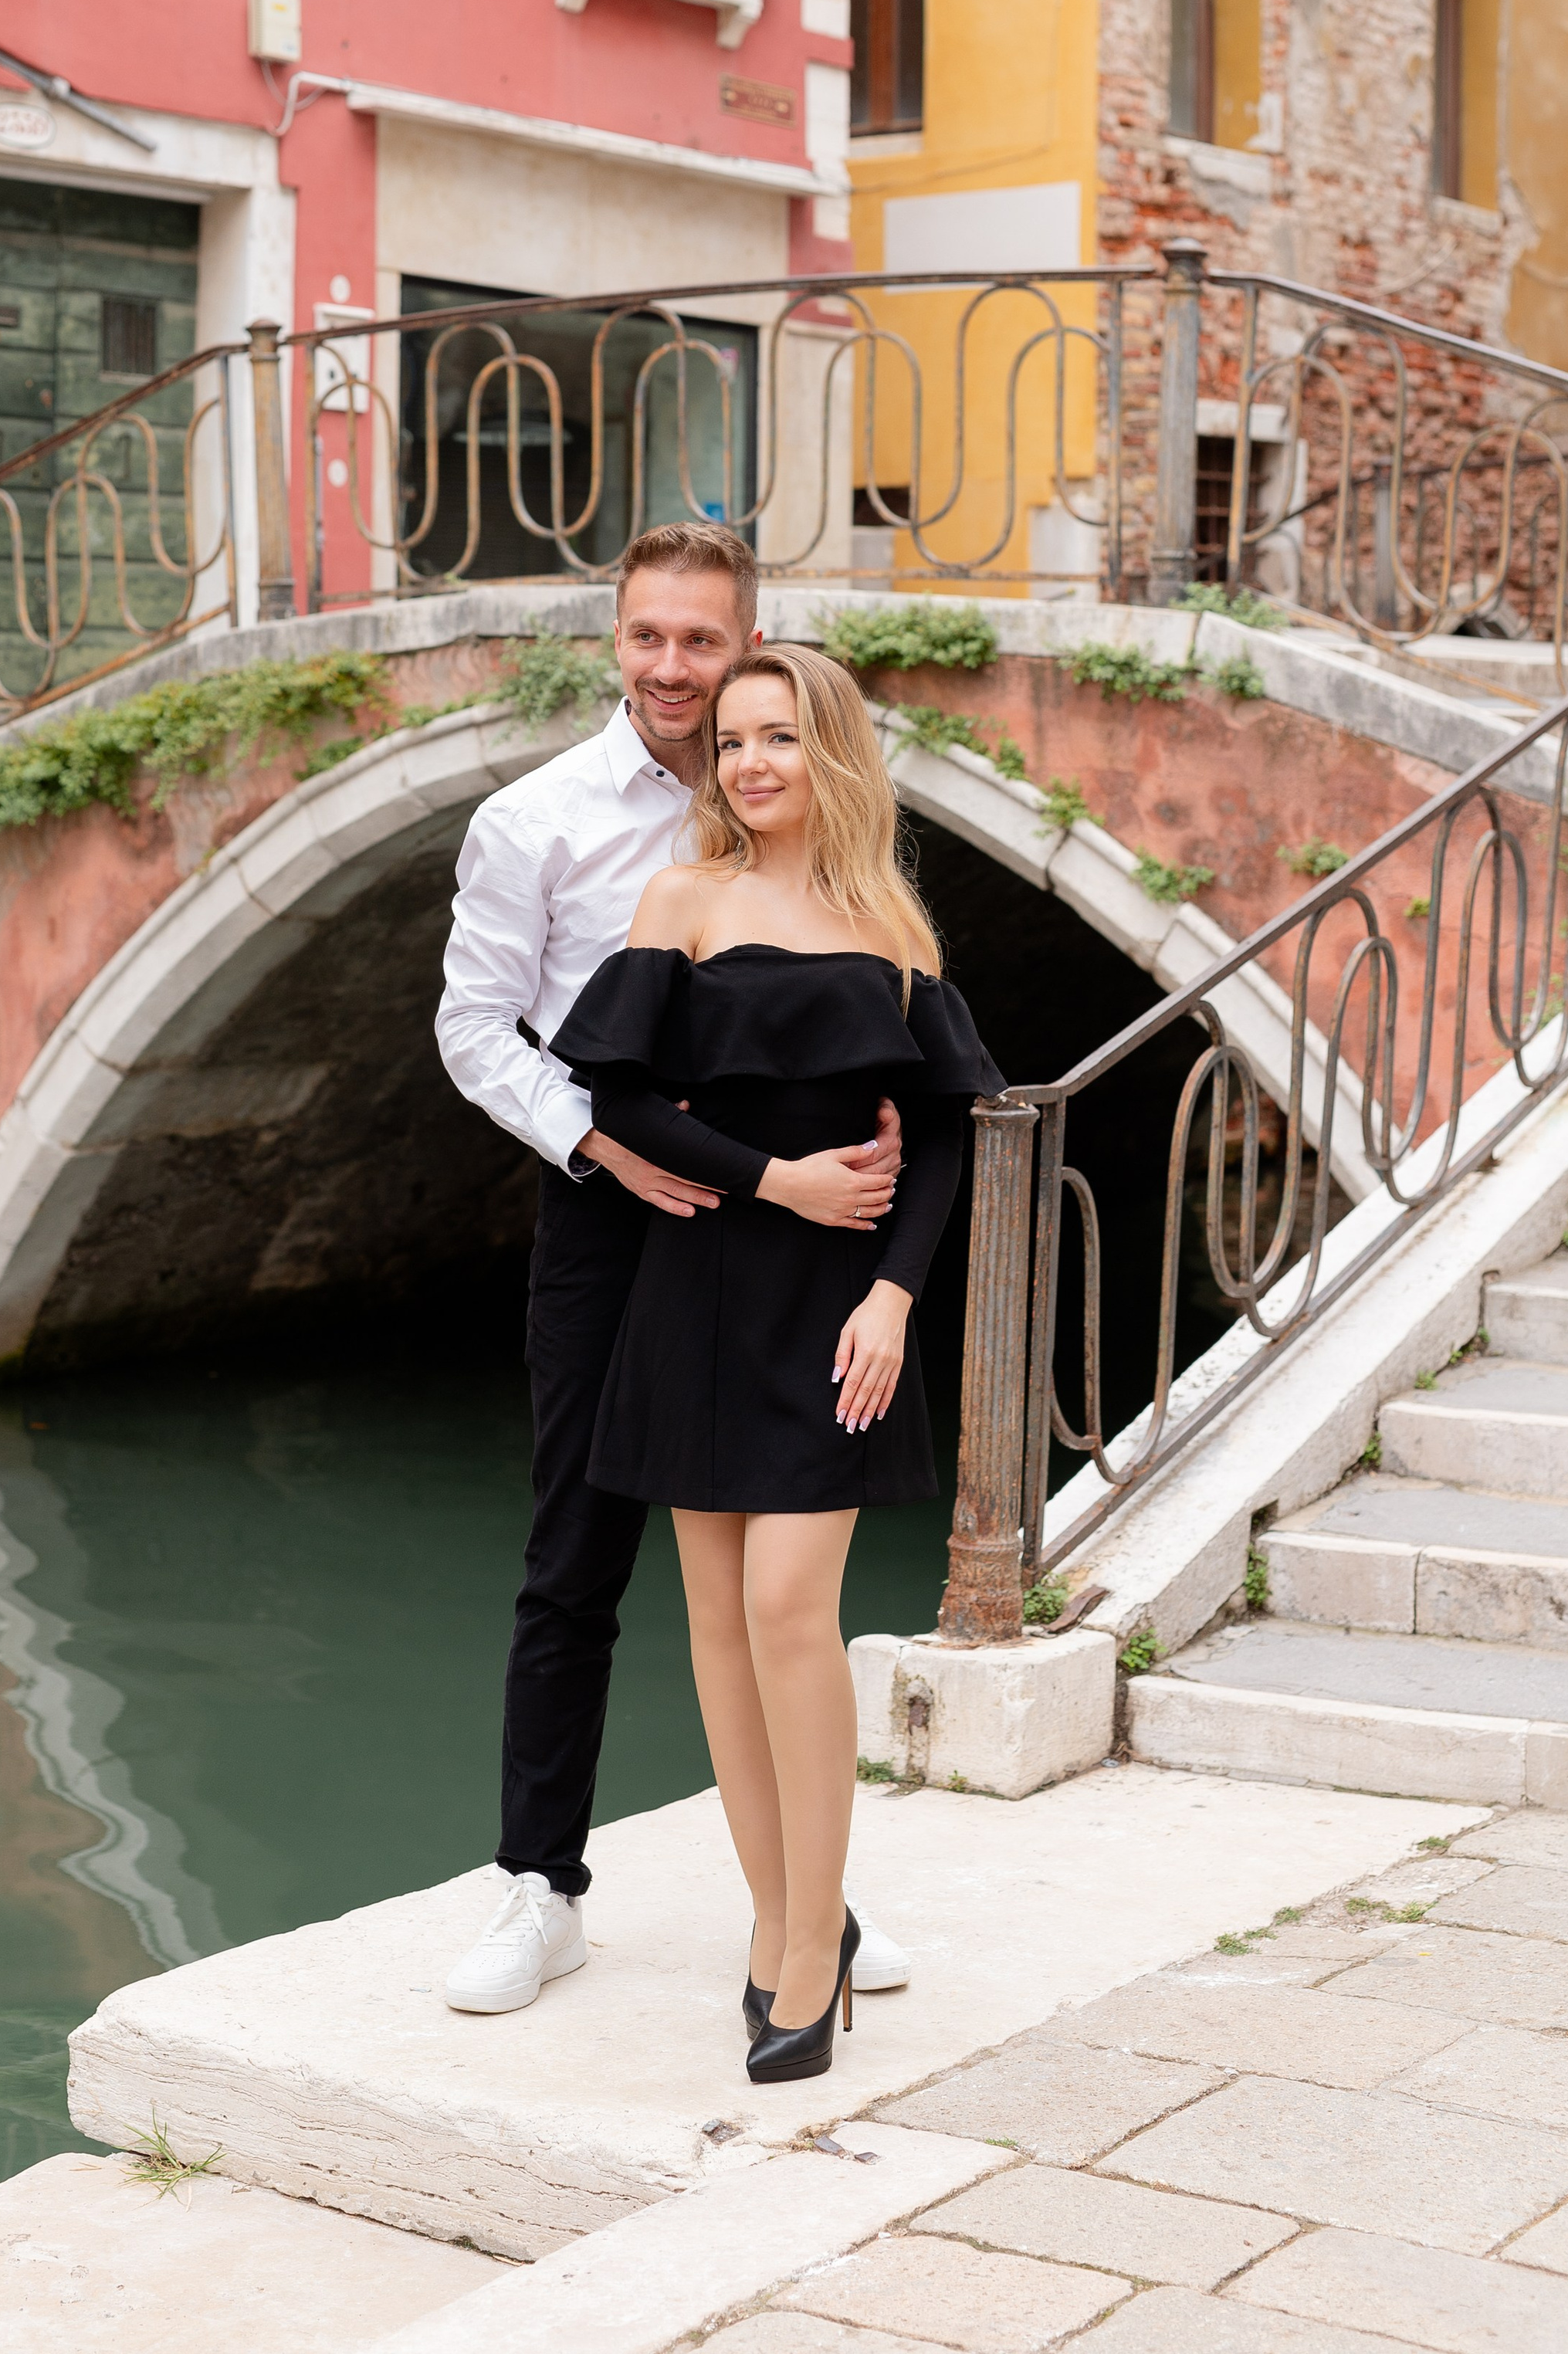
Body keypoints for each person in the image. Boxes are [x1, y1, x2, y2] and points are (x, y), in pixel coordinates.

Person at [435, 526, 914, 2017]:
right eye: (649, 637)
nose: (673, 669)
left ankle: (807, 1913)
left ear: (748, 643)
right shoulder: (539, 821)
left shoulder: (806, 808)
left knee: (777, 1594)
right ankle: (540, 1886)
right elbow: (474, 1028)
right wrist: (601, 1146)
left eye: (703, 642)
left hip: (785, 1239)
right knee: (579, 1554)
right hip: (612, 1215)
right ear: (616, 638)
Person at [550, 645, 1001, 2081]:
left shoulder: (894, 926)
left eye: (780, 739)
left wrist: (893, 1296)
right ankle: (779, 1920)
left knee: (794, 1610)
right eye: (734, 741)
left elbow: (940, 1135)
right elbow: (615, 1091)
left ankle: (816, 1947)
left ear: (833, 754)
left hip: (837, 1313)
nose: (749, 764)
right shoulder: (681, 901)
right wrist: (772, 1180)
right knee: (721, 1631)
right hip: (697, 1297)